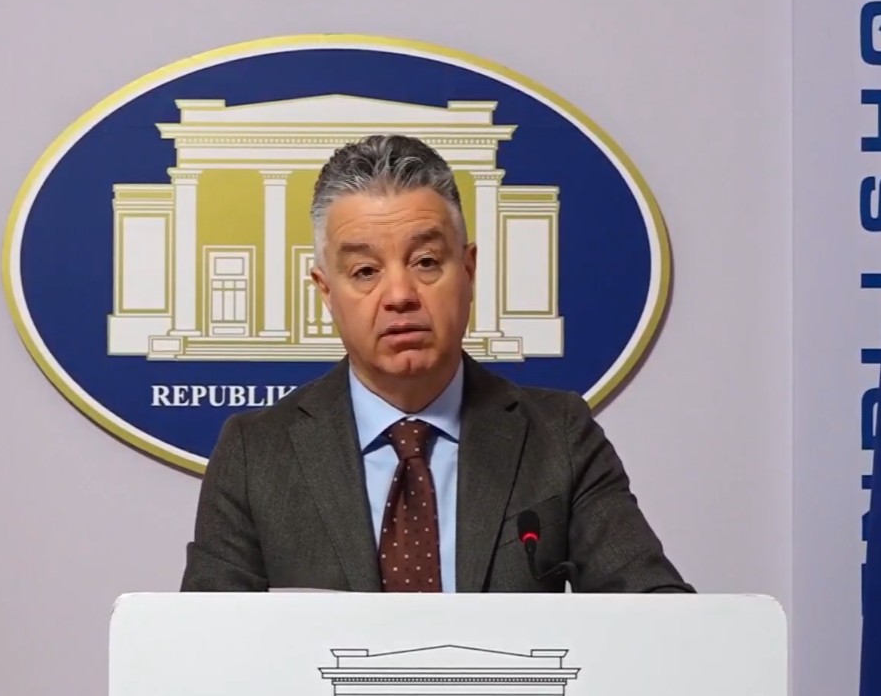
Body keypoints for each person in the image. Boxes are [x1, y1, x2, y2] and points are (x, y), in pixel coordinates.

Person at [179, 134, 692, 594]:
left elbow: (659, 615)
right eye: (365, 271)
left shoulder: (558, 437)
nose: (400, 295)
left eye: (426, 262)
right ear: (326, 290)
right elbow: (202, 648)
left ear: (468, 270)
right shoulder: (255, 455)